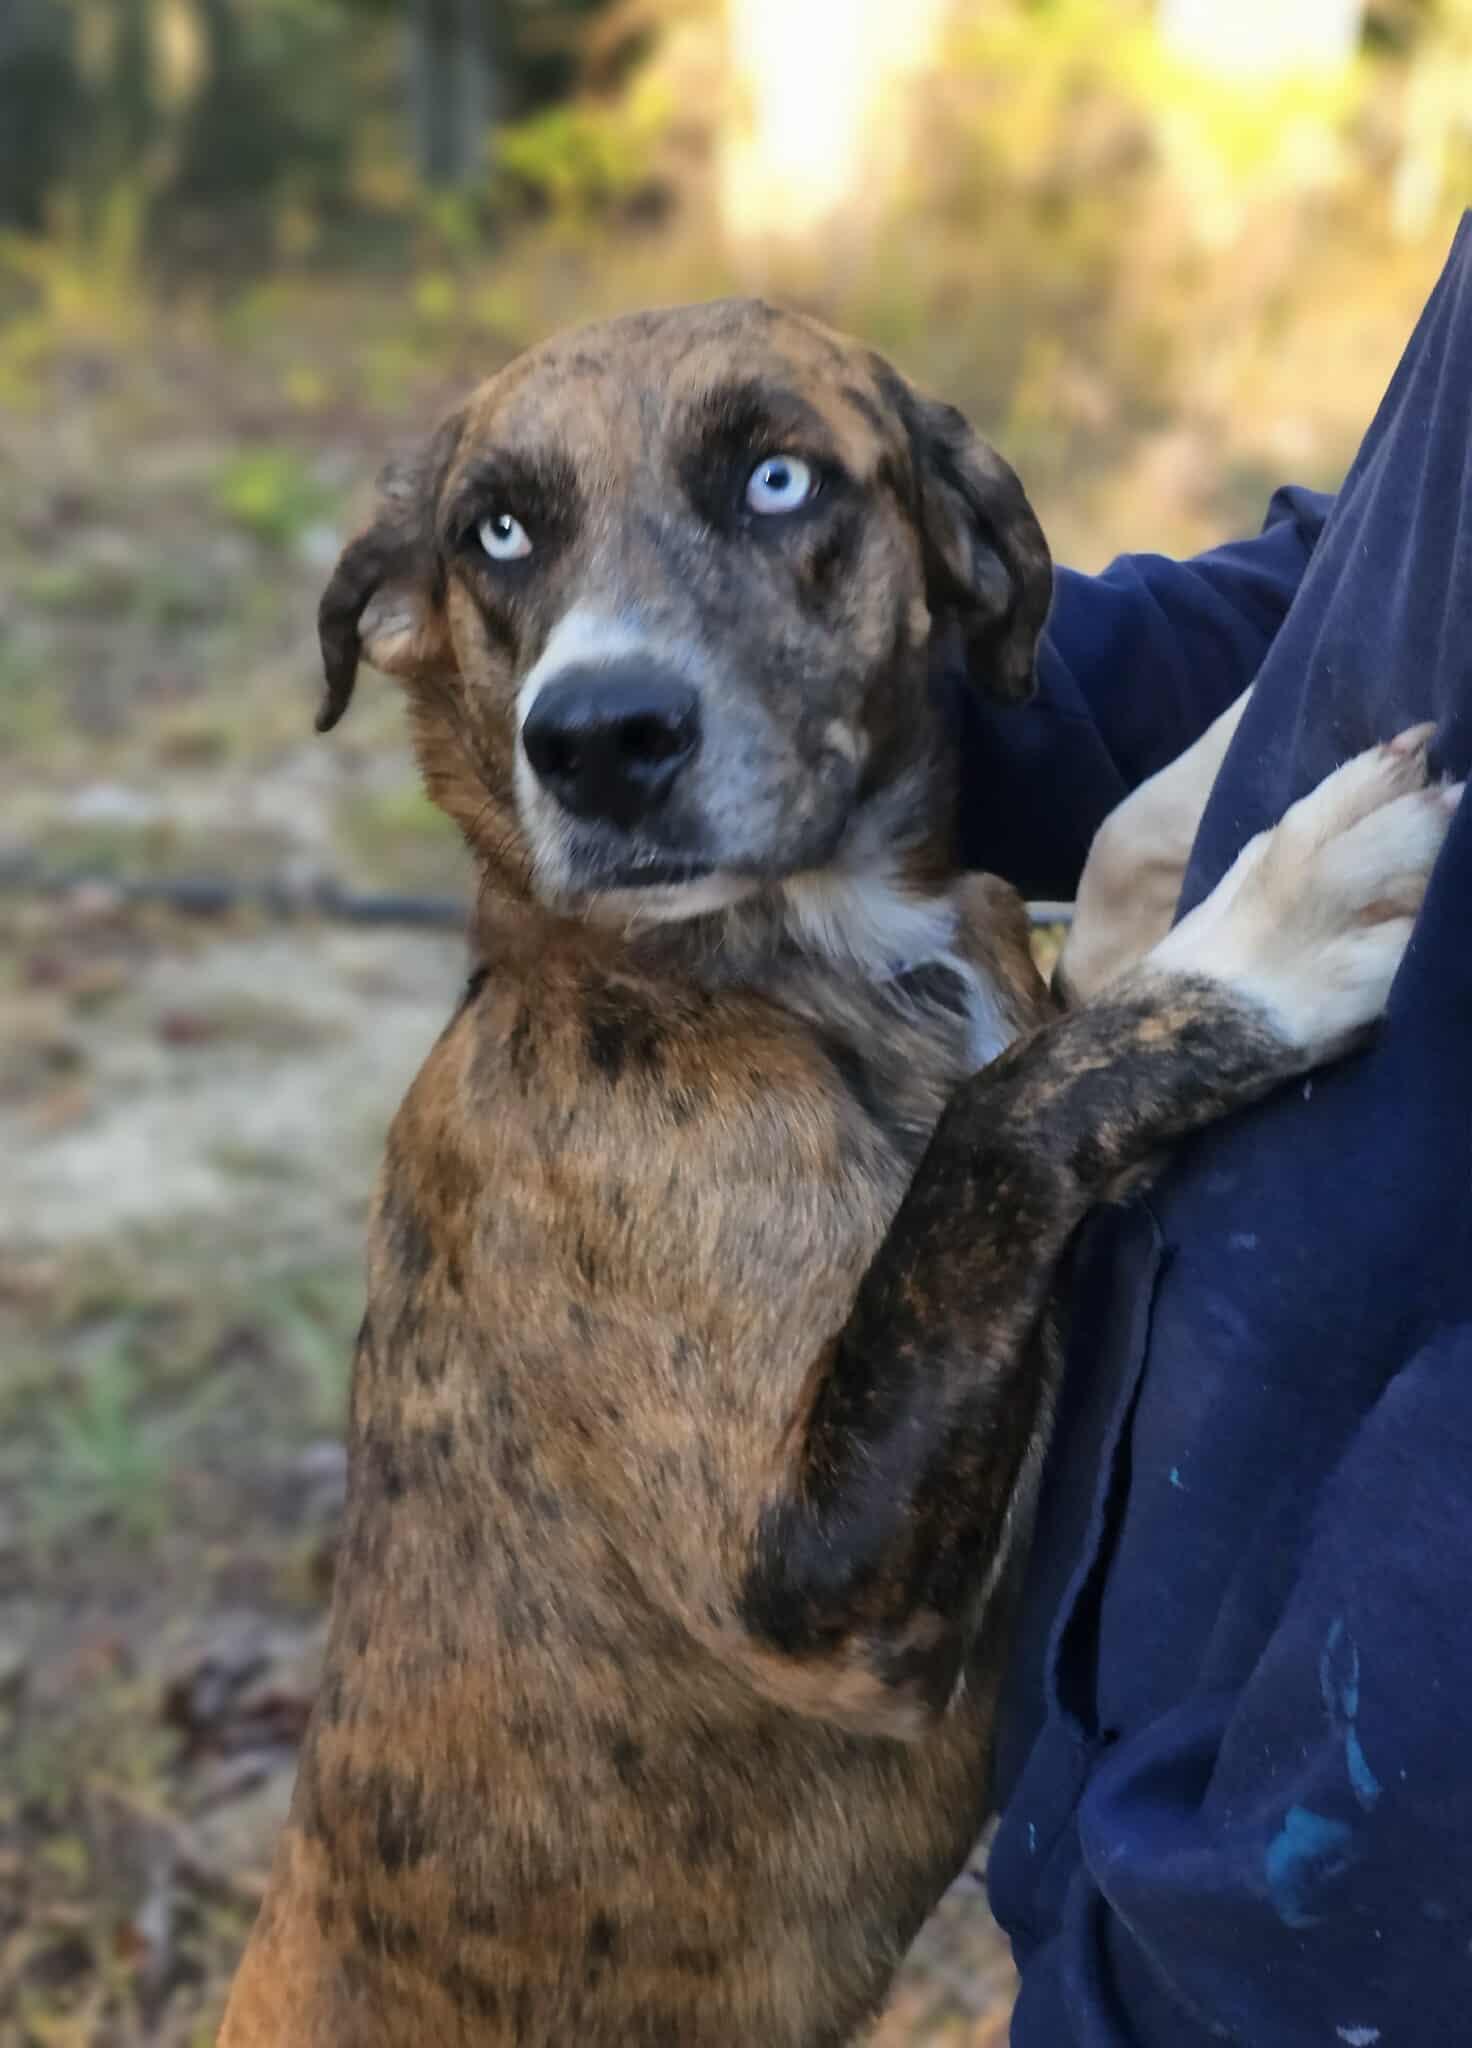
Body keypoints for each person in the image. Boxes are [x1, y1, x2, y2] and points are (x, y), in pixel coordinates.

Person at [950, 216, 1472, 2046]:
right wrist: (853, 670)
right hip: (1176, 1740)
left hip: (1328, 1894)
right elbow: (1390, 587)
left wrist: (1245, 1924)